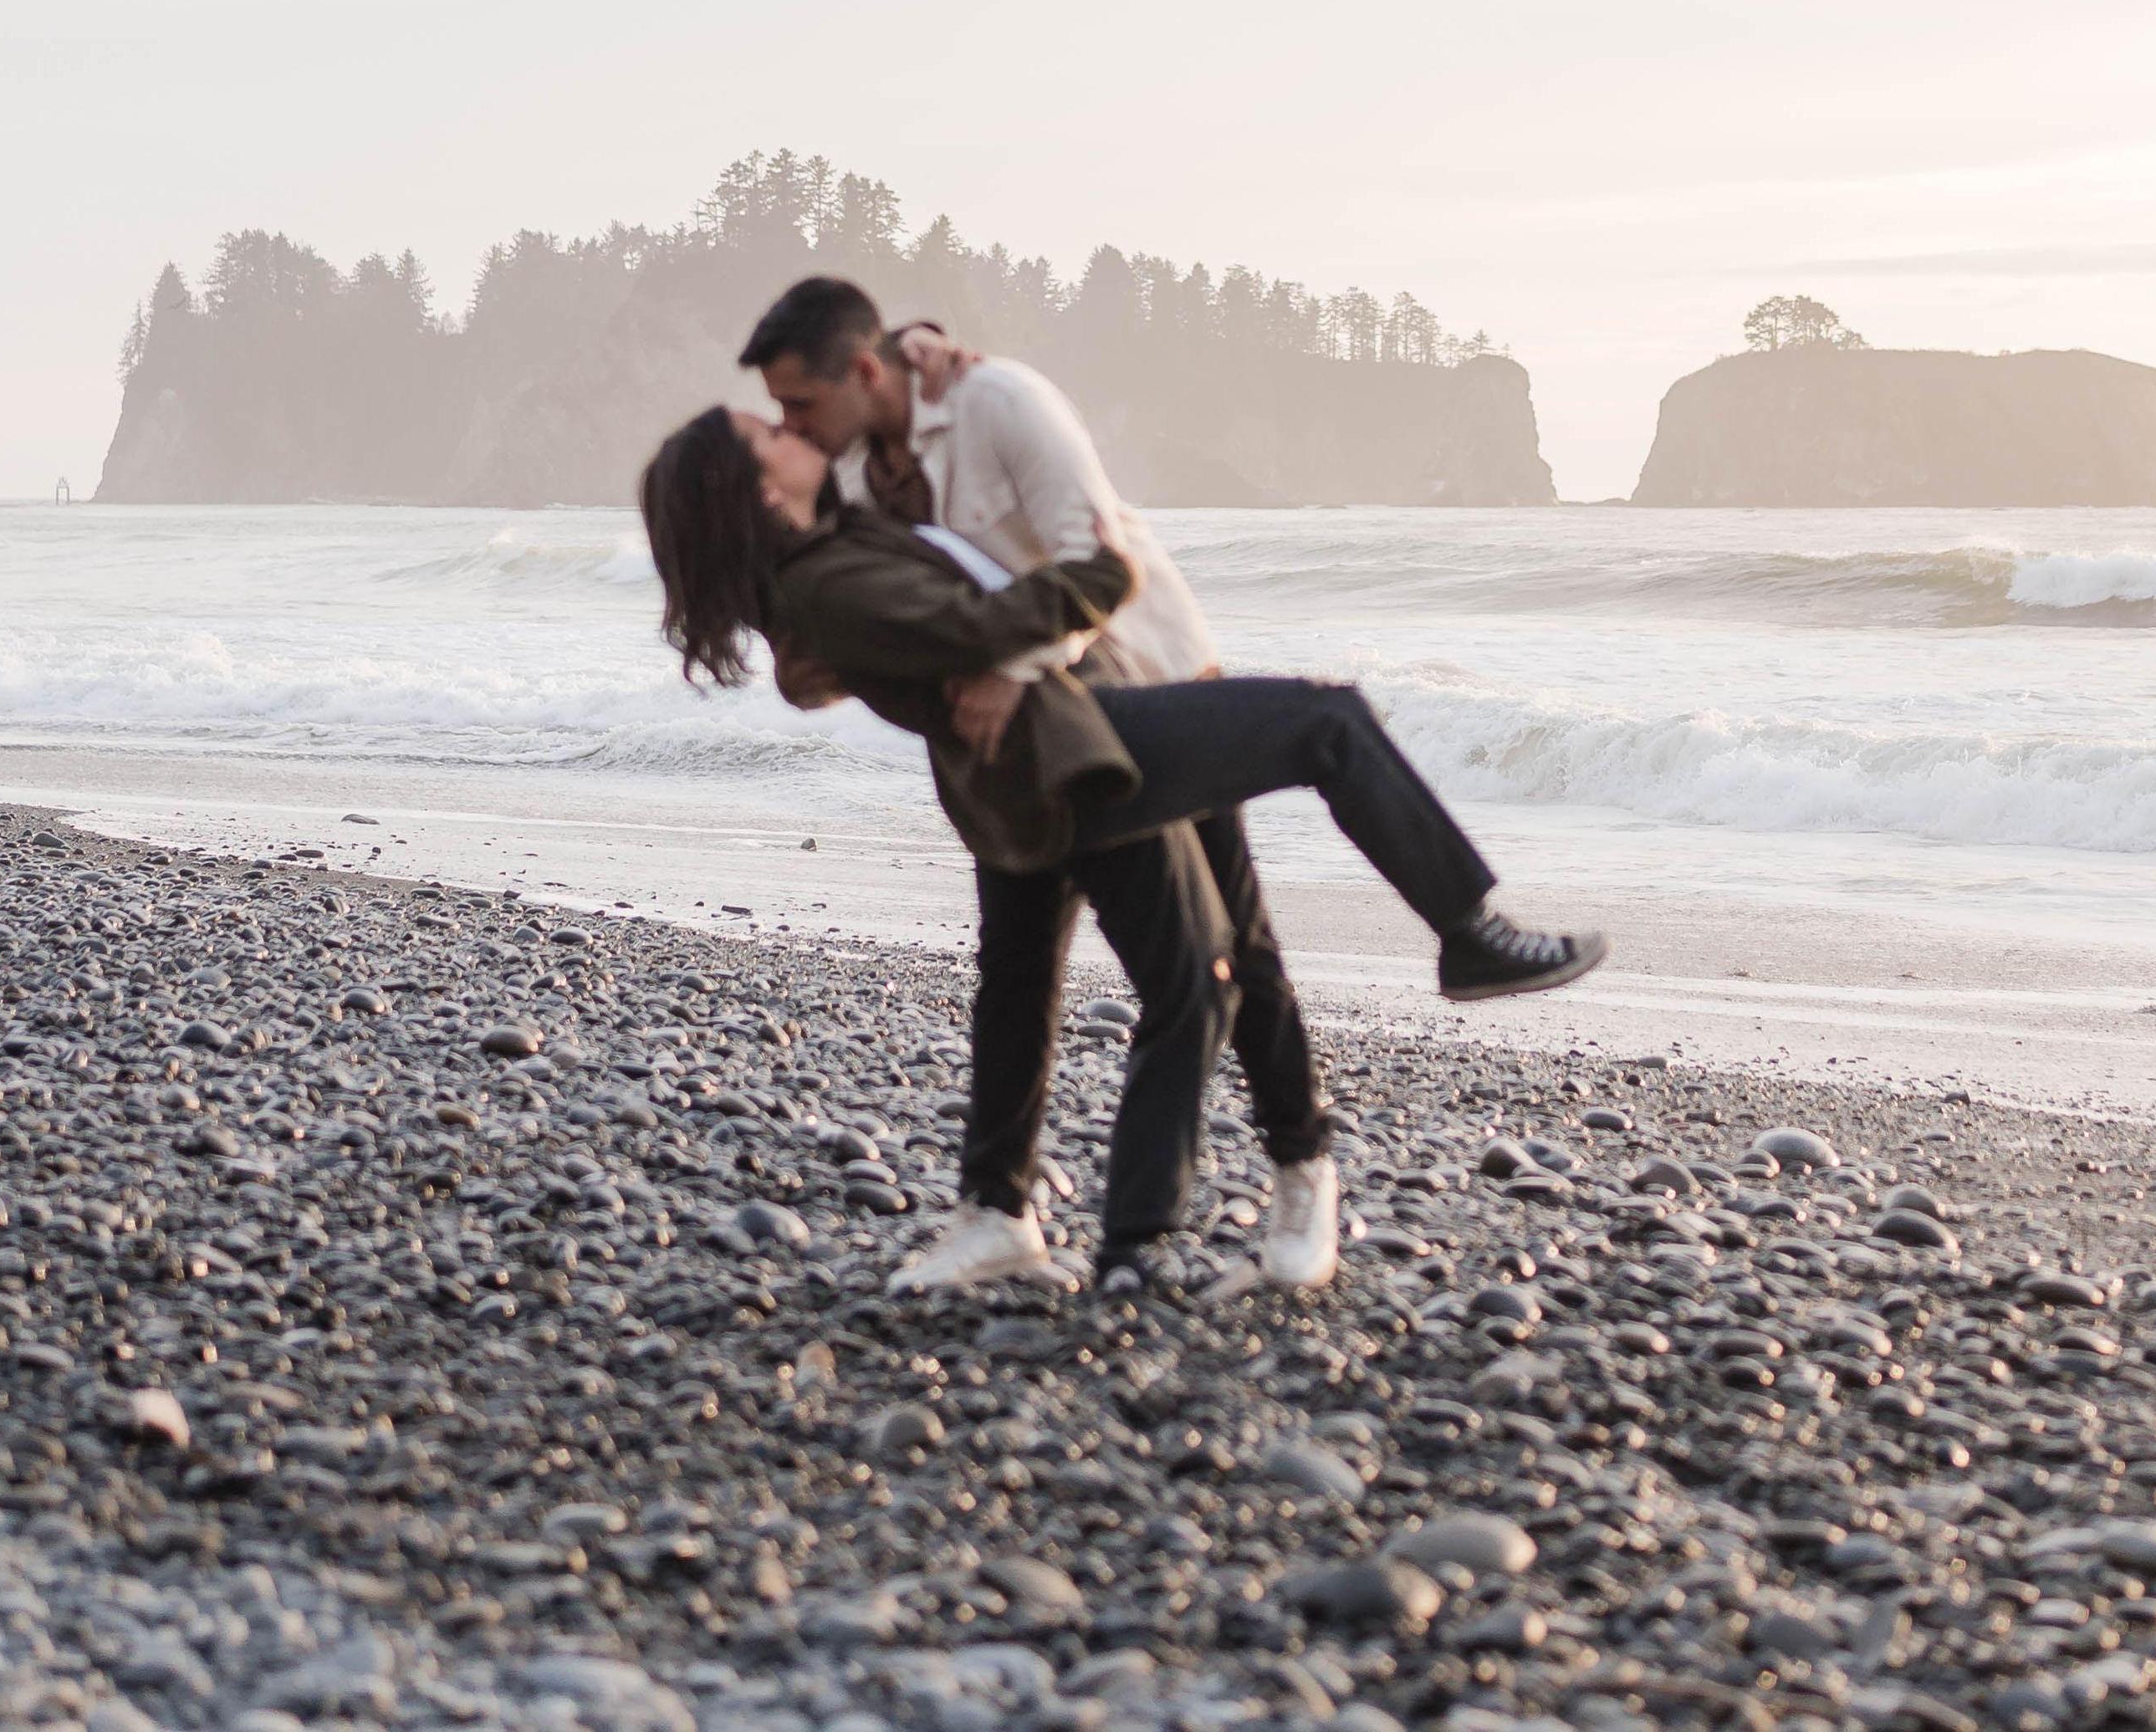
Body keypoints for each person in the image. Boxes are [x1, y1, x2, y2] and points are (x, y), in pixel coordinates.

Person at [637, 403, 1608, 1297]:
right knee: (1316, 749)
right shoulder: (832, 584)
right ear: (762, 491)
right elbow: (991, 623)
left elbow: (916, 485)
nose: (792, 425)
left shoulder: (843, 537)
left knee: (1041, 981)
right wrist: (1097, 570)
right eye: (768, 430)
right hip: (1080, 747)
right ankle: (1459, 940)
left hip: (1042, 758)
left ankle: (1041, 1220)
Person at [738, 275, 1338, 1295]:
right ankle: (999, 1212)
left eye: (801, 404)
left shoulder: (998, 401)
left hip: (1145, 689)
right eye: (782, 410)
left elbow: (1098, 564)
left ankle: (1300, 1177)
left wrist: (1010, 667)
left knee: (1235, 945)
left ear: (868, 369)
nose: (788, 424)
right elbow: (880, 606)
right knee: (1015, 959)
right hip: (1005, 743)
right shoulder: (846, 469)